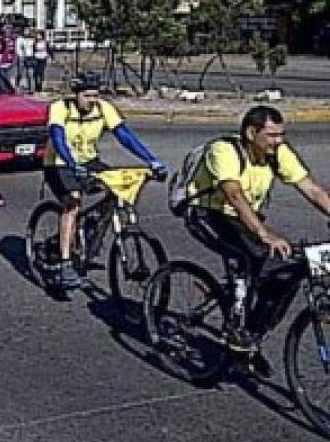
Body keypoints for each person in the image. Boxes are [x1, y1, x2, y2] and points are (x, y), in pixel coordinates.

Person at [182, 106, 330, 363]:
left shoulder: (278, 154)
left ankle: (251, 332)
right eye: (272, 135)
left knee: (287, 272)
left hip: (243, 219)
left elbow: (312, 189)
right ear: (251, 133)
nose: (279, 141)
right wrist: (264, 233)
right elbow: (234, 194)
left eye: (281, 134)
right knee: (265, 257)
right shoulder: (224, 151)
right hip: (209, 216)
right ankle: (242, 333)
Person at [43, 71, 166, 289]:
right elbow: (58, 138)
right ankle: (64, 264)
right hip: (60, 164)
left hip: (90, 161)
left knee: (117, 190)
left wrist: (151, 160)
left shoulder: (103, 109)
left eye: (95, 95)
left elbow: (125, 136)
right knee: (73, 203)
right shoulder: (60, 108)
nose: (92, 100)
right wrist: (72, 164)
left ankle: (91, 227)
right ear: (76, 95)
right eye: (87, 96)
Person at [15, 27, 36, 92]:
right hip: (22, 57)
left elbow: (34, 48)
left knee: (29, 73)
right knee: (20, 73)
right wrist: (21, 55)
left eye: (28, 31)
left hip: (30, 57)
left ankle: (30, 88)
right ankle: (17, 85)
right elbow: (18, 48)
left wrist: (33, 55)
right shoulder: (19, 39)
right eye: (25, 31)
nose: (27, 32)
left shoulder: (32, 39)